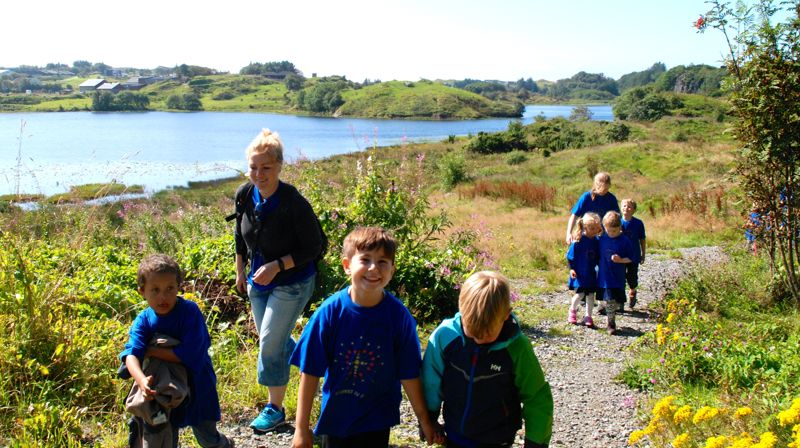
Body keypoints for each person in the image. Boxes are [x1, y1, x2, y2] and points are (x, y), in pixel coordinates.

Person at [290, 227, 440, 448]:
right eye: (365, 259)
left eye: (382, 262)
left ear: (392, 270)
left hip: (377, 420)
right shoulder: (330, 313)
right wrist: (301, 430)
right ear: (347, 266)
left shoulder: (398, 317)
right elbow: (310, 371)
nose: (373, 268)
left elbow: (409, 373)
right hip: (336, 418)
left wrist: (425, 421)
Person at [232, 129, 325, 433]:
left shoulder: (293, 203)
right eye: (253, 167)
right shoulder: (245, 194)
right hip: (258, 282)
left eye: (266, 168)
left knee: (270, 342)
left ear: (279, 166)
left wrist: (277, 265)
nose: (258, 174)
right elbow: (240, 235)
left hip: (294, 281)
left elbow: (316, 247)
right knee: (275, 339)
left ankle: (275, 409)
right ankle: (314, 360)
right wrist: (240, 270)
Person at [421, 271, 554, 448]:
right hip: (455, 434)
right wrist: (429, 418)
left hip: (497, 439)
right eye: (472, 333)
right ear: (461, 309)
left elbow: (536, 396)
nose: (479, 340)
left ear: (506, 315)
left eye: (487, 334)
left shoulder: (517, 348)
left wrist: (535, 442)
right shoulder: (445, 336)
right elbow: (431, 380)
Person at [119, 254, 232, 448]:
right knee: (165, 435)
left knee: (207, 437)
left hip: (197, 384)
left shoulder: (190, 312)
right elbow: (132, 356)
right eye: (155, 290)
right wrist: (141, 381)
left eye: (169, 288)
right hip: (164, 389)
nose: (163, 297)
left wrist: (152, 351)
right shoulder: (143, 320)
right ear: (142, 291)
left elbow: (189, 354)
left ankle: (224, 444)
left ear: (178, 286)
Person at [597, 212, 635, 335]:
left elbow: (632, 258)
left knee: (616, 301)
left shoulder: (624, 241)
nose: (611, 233)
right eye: (609, 231)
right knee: (610, 300)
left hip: (618, 277)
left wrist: (620, 260)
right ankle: (611, 323)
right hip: (605, 277)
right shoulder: (602, 238)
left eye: (614, 231)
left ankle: (608, 311)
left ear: (620, 227)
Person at [567, 212, 602, 328]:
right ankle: (572, 310)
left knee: (591, 295)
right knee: (579, 294)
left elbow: (598, 257)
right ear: (585, 227)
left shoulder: (597, 241)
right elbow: (570, 256)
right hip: (580, 274)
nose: (594, 231)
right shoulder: (578, 240)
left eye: (596, 228)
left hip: (591, 274)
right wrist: (572, 269)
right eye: (591, 228)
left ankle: (588, 315)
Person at [565, 172, 619, 244]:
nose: (604, 191)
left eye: (607, 188)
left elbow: (617, 219)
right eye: (602, 188)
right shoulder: (586, 197)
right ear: (596, 185)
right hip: (586, 236)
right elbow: (574, 216)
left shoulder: (611, 199)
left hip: (604, 237)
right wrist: (569, 233)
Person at [620, 199, 646, 310]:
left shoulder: (638, 223)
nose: (626, 208)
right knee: (620, 277)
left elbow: (642, 239)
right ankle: (620, 300)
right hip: (620, 256)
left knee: (632, 277)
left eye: (629, 206)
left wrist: (643, 253)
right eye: (624, 206)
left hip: (633, 255)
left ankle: (632, 291)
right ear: (621, 208)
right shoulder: (617, 222)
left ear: (634, 210)